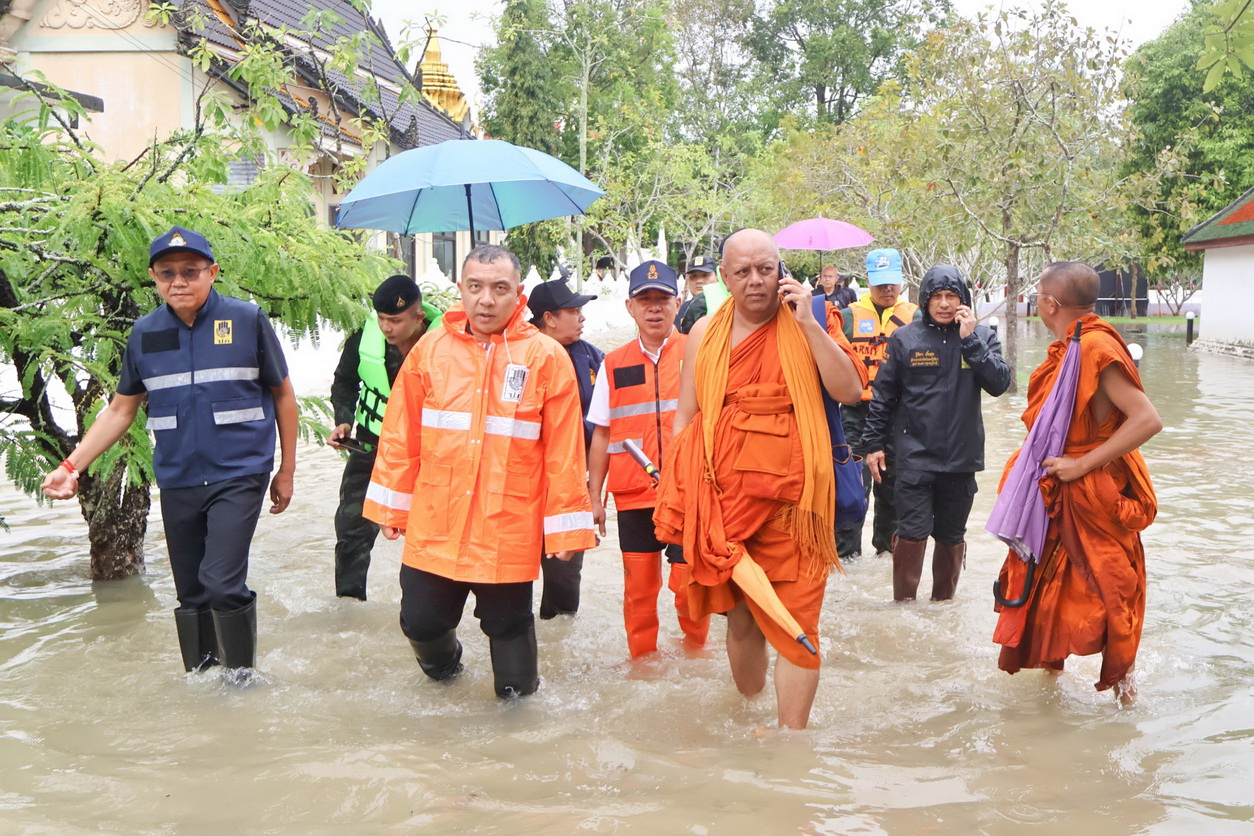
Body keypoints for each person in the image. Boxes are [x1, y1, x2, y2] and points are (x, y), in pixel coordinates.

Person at [40, 226, 297, 677]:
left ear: (212, 272)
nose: (178, 282)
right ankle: (200, 682)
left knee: (221, 583)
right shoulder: (145, 333)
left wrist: (287, 470)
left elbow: (283, 396)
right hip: (178, 477)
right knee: (191, 591)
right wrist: (71, 466)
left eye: (190, 271)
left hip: (240, 472)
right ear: (154, 278)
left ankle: (241, 682)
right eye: (167, 273)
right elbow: (120, 411)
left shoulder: (246, 319)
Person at [362, 245, 596, 698]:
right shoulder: (430, 350)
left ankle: (517, 723)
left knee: (511, 649)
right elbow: (401, 432)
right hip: (436, 519)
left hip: (506, 524)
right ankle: (447, 675)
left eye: (499, 288)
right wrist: (392, 505)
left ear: (518, 294)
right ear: (461, 290)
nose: (486, 299)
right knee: (421, 622)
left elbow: (564, 451)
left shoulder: (546, 357)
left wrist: (566, 528)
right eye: (476, 287)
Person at [654, 230, 866, 728]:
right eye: (743, 272)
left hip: (797, 505)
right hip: (725, 501)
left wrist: (809, 324)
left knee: (798, 623)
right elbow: (687, 417)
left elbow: (851, 390)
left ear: (781, 271)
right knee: (743, 618)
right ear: (724, 278)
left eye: (765, 269)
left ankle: (791, 741)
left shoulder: (814, 320)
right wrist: (681, 499)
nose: (755, 281)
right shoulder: (704, 332)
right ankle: (748, 716)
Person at [993, 262, 1161, 705]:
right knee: (1047, 586)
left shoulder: (1095, 348)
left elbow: (1147, 419)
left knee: (1109, 592)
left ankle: (1126, 696)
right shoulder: (1072, 345)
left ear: (1050, 304)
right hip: (1057, 488)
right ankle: (1050, 691)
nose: (1036, 301)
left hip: (1092, 490)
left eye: (1037, 295)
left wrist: (1083, 464)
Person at [863, 264, 1011, 601]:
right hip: (914, 458)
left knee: (951, 535)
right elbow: (883, 396)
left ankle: (942, 607)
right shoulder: (905, 338)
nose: (944, 304)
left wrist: (970, 340)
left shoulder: (982, 337)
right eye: (937, 297)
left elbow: (1000, 384)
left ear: (963, 300)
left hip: (961, 459)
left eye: (951, 296)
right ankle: (903, 609)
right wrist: (872, 444)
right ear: (925, 300)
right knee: (912, 533)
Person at [587, 260, 709, 659]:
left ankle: (696, 660)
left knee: (690, 588)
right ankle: (641, 666)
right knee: (639, 592)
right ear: (630, 307)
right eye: (644, 300)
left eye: (662, 299)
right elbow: (602, 433)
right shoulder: (613, 362)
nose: (654, 308)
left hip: (689, 494)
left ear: (678, 303)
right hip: (633, 497)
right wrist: (594, 497)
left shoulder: (699, 351)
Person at [327, 275, 441, 601]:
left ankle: (422, 609)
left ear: (418, 317)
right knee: (350, 528)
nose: (386, 327)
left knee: (428, 532)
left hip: (426, 453)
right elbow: (344, 381)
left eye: (396, 320)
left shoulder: (447, 344)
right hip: (370, 445)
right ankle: (350, 605)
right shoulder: (365, 335)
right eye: (382, 318)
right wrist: (344, 421)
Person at [835, 248, 920, 563]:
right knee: (851, 491)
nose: (887, 289)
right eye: (880, 283)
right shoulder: (845, 318)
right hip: (854, 415)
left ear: (901, 280)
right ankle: (847, 560)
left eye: (892, 282)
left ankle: (888, 558)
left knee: (893, 493)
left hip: (899, 417)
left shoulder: (917, 318)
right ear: (868, 281)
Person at [527, 278, 602, 619]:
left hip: (572, 481)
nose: (581, 317)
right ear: (549, 318)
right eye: (573, 311)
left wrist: (595, 491)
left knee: (565, 574)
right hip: (524, 483)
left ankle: (558, 635)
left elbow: (606, 425)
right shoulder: (518, 355)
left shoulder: (592, 358)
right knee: (512, 574)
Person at [676, 255, 715, 331]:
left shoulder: (725, 306)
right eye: (694, 276)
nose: (699, 281)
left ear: (717, 277)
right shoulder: (683, 308)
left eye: (705, 275)